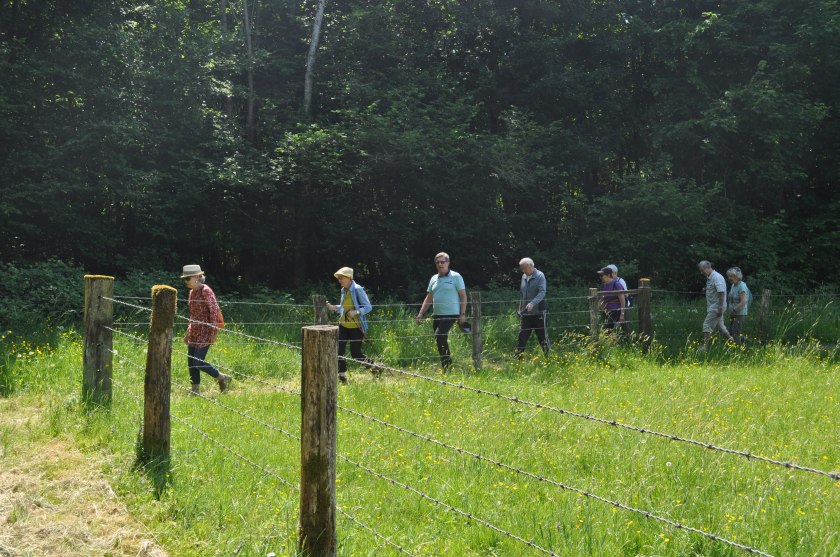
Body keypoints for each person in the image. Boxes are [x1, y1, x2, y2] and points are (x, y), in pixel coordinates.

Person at [181, 264, 231, 395]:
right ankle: (195, 391)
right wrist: (188, 331)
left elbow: (214, 312)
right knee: (191, 363)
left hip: (205, 332)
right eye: (184, 279)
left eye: (188, 278)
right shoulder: (191, 292)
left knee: (197, 362)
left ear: (197, 277)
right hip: (193, 331)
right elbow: (193, 314)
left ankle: (221, 377)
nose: (185, 281)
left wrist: (213, 332)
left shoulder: (206, 291)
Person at [415, 252, 467, 370]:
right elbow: (429, 297)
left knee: (439, 336)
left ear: (448, 263)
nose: (440, 264)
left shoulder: (456, 276)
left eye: (442, 262)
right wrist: (421, 313)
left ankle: (448, 367)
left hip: (451, 314)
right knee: (439, 339)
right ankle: (446, 366)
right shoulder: (434, 278)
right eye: (437, 262)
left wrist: (462, 314)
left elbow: (463, 296)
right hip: (437, 314)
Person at [326, 267, 373, 384]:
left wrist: (356, 312)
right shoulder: (344, 290)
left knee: (356, 354)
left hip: (356, 327)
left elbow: (368, 307)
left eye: (341, 278)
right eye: (338, 278)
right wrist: (332, 307)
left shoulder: (357, 289)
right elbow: (343, 308)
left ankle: (375, 368)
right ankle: (342, 376)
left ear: (348, 278)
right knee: (338, 350)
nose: (339, 281)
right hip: (343, 325)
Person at [515, 257, 550, 358]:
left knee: (542, 337)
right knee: (522, 336)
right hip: (526, 313)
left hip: (539, 312)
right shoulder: (523, 277)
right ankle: (518, 359)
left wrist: (532, 303)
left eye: (524, 268)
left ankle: (549, 358)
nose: (523, 270)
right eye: (521, 268)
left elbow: (542, 292)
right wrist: (520, 309)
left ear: (531, 266)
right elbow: (522, 294)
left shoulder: (540, 276)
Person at [698, 260, 734, 349]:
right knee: (721, 327)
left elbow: (721, 293)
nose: (701, 272)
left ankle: (705, 347)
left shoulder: (716, 277)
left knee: (706, 325)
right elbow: (715, 288)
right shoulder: (710, 277)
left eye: (702, 270)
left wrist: (720, 308)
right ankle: (733, 342)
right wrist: (706, 289)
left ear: (707, 268)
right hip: (715, 306)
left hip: (717, 307)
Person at [598, 267, 628, 336]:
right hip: (607, 311)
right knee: (608, 330)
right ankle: (614, 341)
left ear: (608, 275)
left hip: (615, 310)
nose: (601, 277)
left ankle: (617, 341)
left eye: (602, 275)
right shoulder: (604, 285)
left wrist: (622, 314)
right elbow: (603, 298)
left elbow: (622, 300)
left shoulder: (616, 284)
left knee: (608, 330)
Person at [726, 266, 751, 344]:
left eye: (731, 276)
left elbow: (743, 301)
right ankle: (746, 341)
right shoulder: (734, 285)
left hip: (739, 313)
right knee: (731, 331)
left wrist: (734, 310)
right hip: (733, 312)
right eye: (729, 276)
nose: (729, 278)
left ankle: (738, 348)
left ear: (737, 276)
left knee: (735, 332)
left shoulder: (742, 286)